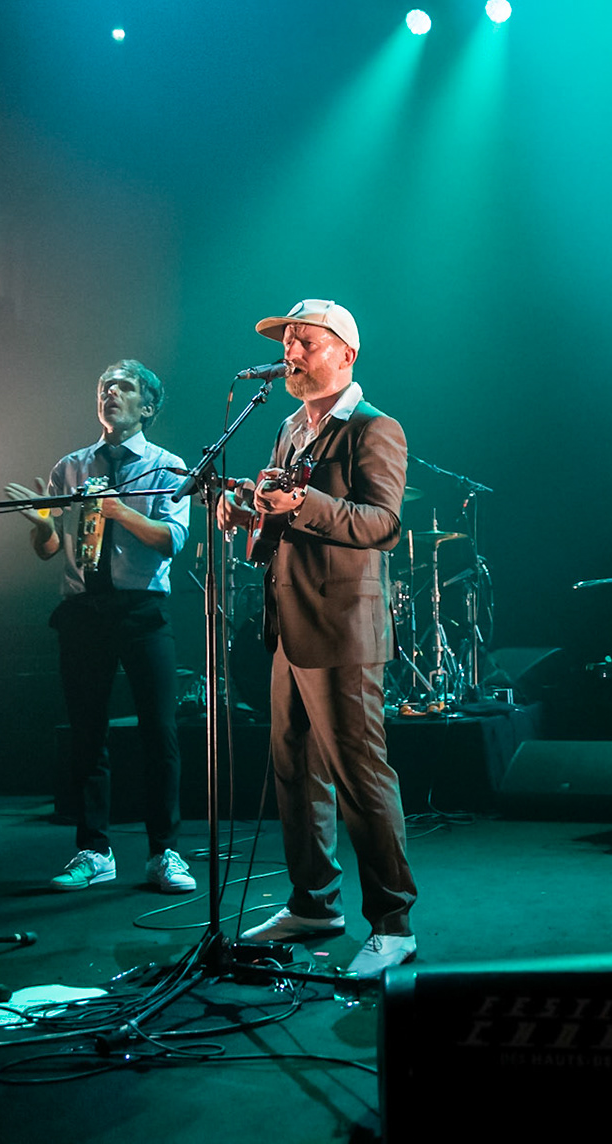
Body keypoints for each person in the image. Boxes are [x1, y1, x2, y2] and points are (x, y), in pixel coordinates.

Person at [213, 299, 417, 978]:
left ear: (346, 354)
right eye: (288, 343)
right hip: (287, 622)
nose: (291, 354)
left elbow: (382, 523)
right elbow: (276, 526)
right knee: (295, 770)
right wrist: (248, 508)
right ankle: (313, 903)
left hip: (341, 627)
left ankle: (393, 921)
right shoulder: (289, 429)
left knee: (360, 775)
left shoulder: (372, 428)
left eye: (305, 342)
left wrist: (306, 504)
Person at [5, 361, 195, 894]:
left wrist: (117, 512)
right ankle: (93, 850)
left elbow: (171, 539)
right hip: (84, 610)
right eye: (105, 387)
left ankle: (164, 852)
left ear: (148, 406)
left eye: (125, 387)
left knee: (160, 732)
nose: (111, 393)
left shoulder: (167, 466)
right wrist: (44, 527)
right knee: (88, 733)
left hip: (142, 611)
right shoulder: (71, 466)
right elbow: (48, 551)